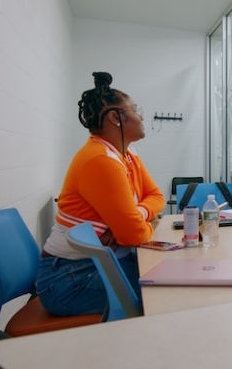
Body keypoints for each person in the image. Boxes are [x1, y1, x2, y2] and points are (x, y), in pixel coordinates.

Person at [36, 72, 164, 316]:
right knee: (163, 294)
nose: (141, 116)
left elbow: (156, 196)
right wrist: (134, 225)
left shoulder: (127, 153)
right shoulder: (101, 160)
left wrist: (138, 216)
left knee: (168, 276)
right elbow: (134, 235)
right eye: (136, 110)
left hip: (97, 264)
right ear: (116, 117)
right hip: (69, 280)